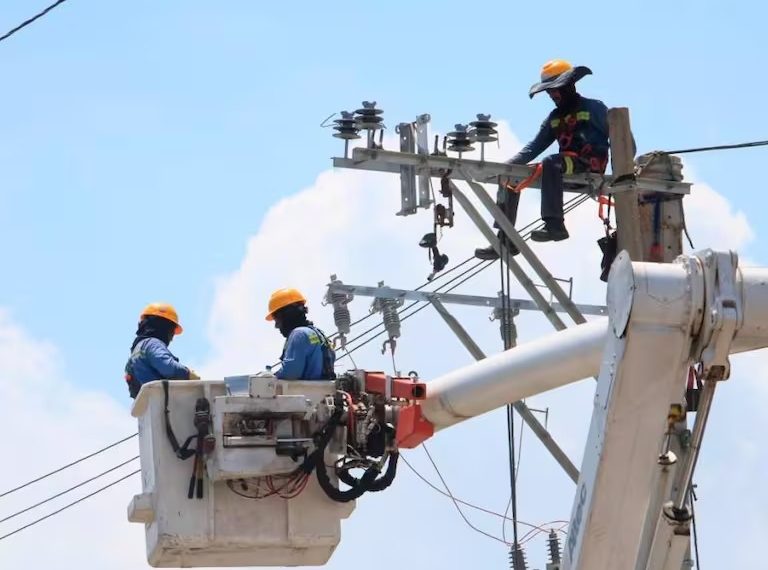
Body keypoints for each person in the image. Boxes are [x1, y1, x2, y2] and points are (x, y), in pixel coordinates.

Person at [475, 60, 610, 260]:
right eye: (549, 92)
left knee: (551, 162)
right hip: (563, 167)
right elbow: (533, 148)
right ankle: (505, 237)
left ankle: (555, 225)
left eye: (556, 90)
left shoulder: (594, 108)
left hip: (589, 166)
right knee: (511, 175)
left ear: (570, 85)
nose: (553, 95)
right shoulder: (554, 118)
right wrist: (505, 168)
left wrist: (625, 174)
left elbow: (622, 139)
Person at [124, 303, 199, 398]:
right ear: (163, 326)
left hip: (150, 409)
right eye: (171, 331)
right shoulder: (152, 344)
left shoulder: (135, 353)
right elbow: (168, 367)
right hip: (165, 407)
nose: (171, 337)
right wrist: (187, 373)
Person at [265, 288, 336, 380]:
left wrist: (271, 377)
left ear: (287, 315)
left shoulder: (299, 335)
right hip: (323, 391)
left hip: (307, 393)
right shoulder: (318, 334)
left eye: (277, 320)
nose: (276, 326)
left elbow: (291, 373)